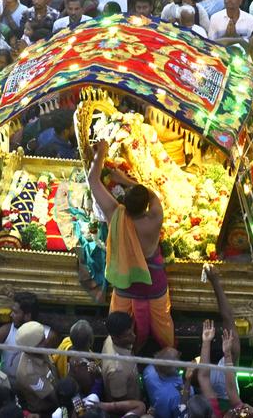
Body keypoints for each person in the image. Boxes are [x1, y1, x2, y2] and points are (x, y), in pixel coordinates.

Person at [88, 140, 173, 349]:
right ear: (146, 206)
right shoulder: (155, 217)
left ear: (124, 201)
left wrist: (101, 153)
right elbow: (151, 194)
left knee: (117, 325)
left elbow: (92, 180)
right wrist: (127, 181)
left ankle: (118, 352)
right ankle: (168, 354)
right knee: (164, 325)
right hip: (154, 285)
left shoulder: (115, 215)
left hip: (124, 284)